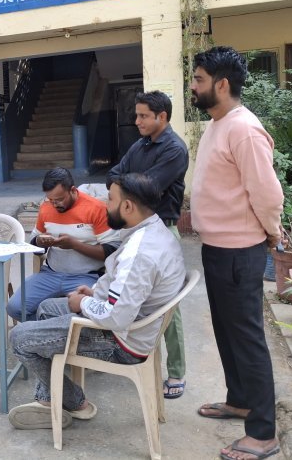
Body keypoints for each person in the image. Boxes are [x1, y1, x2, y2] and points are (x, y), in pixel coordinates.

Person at [8, 173, 186, 430]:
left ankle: (74, 401)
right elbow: (123, 287)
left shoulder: (141, 252)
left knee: (20, 338)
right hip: (132, 324)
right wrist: (94, 294)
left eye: (110, 199)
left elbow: (117, 317)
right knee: (46, 308)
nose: (105, 205)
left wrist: (82, 304)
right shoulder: (151, 230)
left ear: (127, 206)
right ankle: (49, 399)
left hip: (122, 342)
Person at [189, 46, 282, 460]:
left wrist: (272, 234)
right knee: (228, 333)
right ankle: (240, 400)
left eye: (198, 79)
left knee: (247, 340)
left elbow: (267, 193)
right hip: (217, 249)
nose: (192, 86)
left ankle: (263, 433)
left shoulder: (243, 129)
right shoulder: (218, 123)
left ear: (221, 85)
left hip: (239, 252)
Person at [107, 90, 190, 399]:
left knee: (168, 308)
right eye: (137, 115)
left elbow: (148, 190)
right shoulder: (140, 144)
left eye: (143, 116)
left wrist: (128, 184)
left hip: (162, 230)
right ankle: (130, 353)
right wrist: (128, 183)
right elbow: (115, 175)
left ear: (162, 117)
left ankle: (177, 372)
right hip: (133, 229)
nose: (137, 120)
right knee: (125, 291)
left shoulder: (174, 149)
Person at [6, 167, 119, 322]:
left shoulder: (95, 208)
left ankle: (54, 332)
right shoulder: (46, 207)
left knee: (86, 314)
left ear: (72, 190)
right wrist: (40, 242)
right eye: (51, 200)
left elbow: (111, 251)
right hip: (51, 273)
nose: (55, 204)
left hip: (86, 277)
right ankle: (48, 331)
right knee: (15, 308)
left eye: (59, 199)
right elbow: (35, 244)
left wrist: (75, 245)